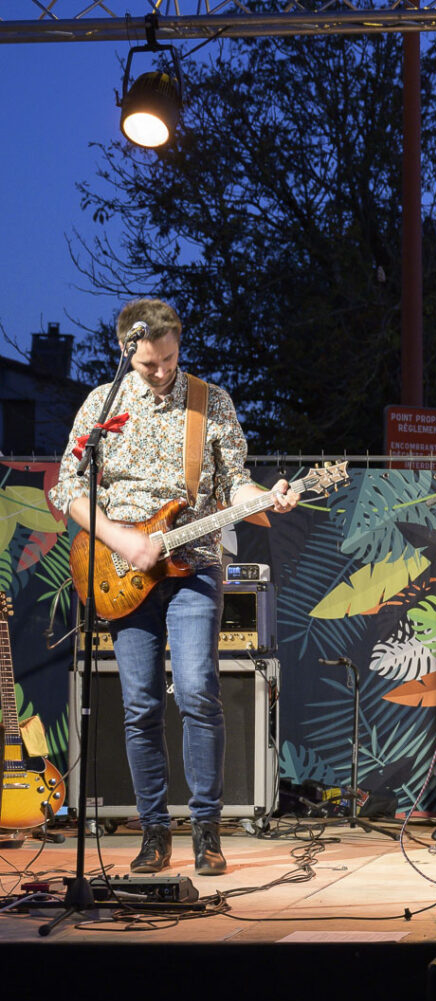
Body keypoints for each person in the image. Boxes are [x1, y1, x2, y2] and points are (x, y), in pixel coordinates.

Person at [50, 298, 298, 876]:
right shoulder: (102, 404)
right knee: (139, 704)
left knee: (196, 693)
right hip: (120, 568)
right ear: (124, 352)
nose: (161, 371)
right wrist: (122, 540)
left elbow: (234, 484)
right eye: (148, 364)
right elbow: (69, 488)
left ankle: (207, 831)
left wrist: (267, 497)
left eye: (169, 359)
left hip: (195, 565)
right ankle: (154, 832)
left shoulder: (210, 402)